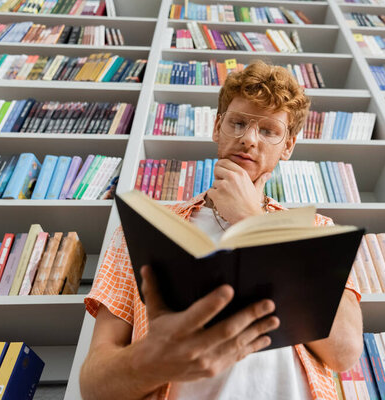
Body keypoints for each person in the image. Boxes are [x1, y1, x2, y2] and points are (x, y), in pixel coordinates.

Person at [79, 60, 363, 400]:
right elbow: (94, 386)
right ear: (217, 128)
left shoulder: (319, 230)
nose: (248, 140)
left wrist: (250, 218)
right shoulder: (145, 229)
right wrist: (155, 360)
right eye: (238, 123)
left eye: (269, 130)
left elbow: (344, 351)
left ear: (288, 146)